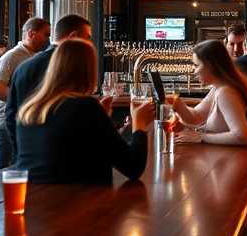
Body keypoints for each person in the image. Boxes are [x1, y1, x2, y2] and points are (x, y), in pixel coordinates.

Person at [16, 38, 154, 184]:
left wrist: (99, 119)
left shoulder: (29, 108)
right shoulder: (85, 107)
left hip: (35, 201)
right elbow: (133, 167)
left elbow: (63, 154)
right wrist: (139, 122)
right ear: (88, 70)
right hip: (80, 203)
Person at [6, 14, 92, 161]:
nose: (89, 43)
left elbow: (11, 114)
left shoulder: (24, 67)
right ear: (74, 36)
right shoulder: (69, 67)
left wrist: (20, 152)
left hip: (26, 157)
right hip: (59, 160)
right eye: (87, 37)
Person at [171, 40, 247, 146]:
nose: (195, 71)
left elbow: (242, 137)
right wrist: (176, 104)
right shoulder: (218, 88)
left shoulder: (226, 92)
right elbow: (195, 117)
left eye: (197, 65)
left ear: (210, 66)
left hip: (231, 159)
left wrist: (201, 137)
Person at [0, 17, 50, 170]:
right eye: (46, 35)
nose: (48, 40)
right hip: (6, 123)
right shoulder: (11, 57)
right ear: (31, 34)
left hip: (27, 122)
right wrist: (24, 102)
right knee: (4, 172)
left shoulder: (37, 57)